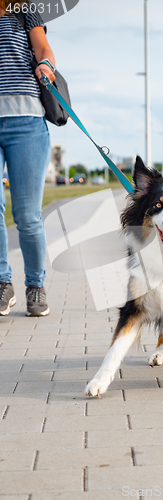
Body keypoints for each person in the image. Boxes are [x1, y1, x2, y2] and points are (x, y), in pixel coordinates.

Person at [0, 0, 56, 316]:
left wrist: (46, 65)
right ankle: (1, 284)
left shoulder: (24, 10)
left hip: (26, 123)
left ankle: (35, 286)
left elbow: (43, 48)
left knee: (27, 214)